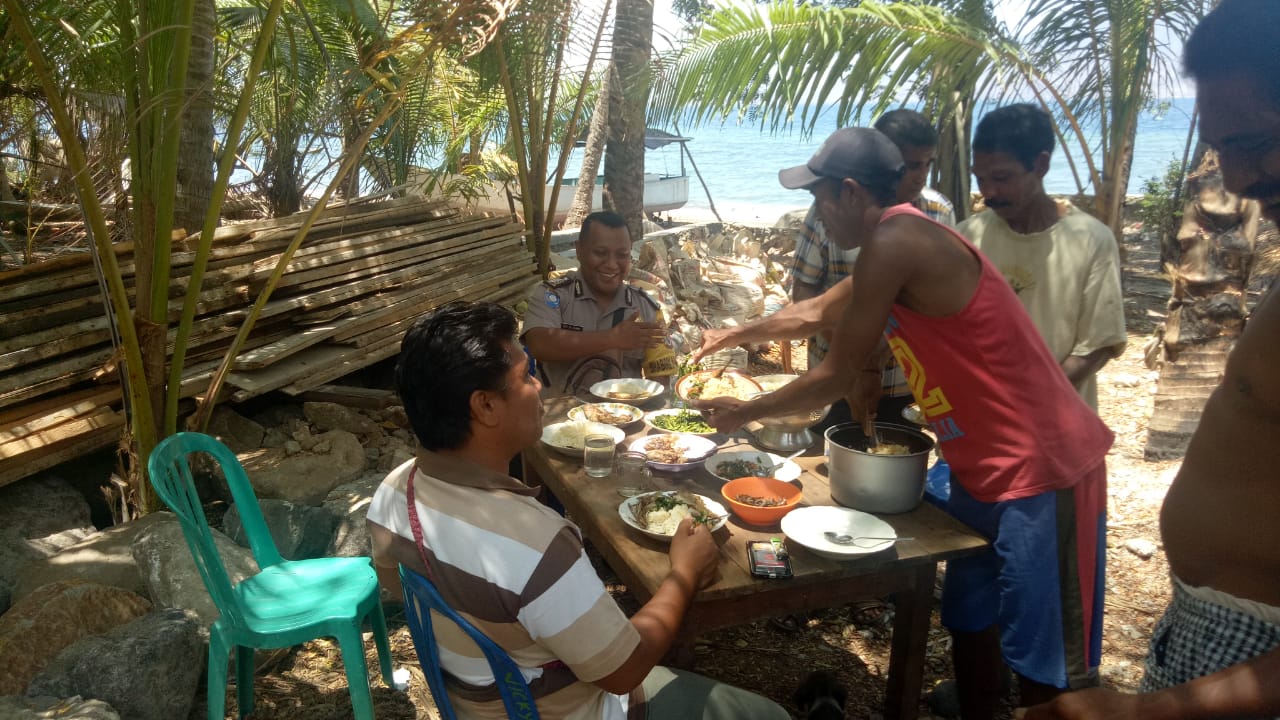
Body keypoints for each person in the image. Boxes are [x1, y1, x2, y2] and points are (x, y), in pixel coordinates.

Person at [696, 127, 1113, 719]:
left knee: (1042, 659)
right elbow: (814, 311)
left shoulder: (899, 239)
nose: (814, 211)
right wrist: (733, 334)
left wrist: (741, 413)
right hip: (979, 470)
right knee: (972, 620)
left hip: (1045, 469)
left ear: (846, 192)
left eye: (817, 197)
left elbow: (838, 375)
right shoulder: (894, 242)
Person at [1025, 2, 1280, 717]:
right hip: (1214, 639)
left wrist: (1147, 713)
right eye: (1218, 145)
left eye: (1255, 142)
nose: (1239, 175)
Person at [367, 300, 789, 720]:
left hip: (474, 702)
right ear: (486, 406)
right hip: (570, 710)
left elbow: (396, 583)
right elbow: (624, 672)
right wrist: (684, 574)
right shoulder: (533, 543)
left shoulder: (393, 491)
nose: (537, 386)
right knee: (770, 714)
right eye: (526, 374)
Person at [790, 109, 956, 426]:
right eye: (910, 166)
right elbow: (805, 294)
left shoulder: (938, 213)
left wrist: (869, 364)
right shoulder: (832, 208)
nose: (920, 176)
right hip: (834, 379)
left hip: (906, 384)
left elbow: (935, 314)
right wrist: (851, 362)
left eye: (927, 164)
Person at [961, 104, 1126, 409]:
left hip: (1058, 425)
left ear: (1041, 165)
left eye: (1001, 177)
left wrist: (1030, 401)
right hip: (981, 425)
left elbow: (1097, 346)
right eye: (980, 179)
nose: (989, 192)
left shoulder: (1091, 240)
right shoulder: (967, 239)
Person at [521, 211, 671, 396]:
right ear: (579, 250)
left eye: (622, 255)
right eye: (600, 253)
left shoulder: (647, 308)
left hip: (623, 417)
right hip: (561, 421)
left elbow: (661, 379)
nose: (611, 264)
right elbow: (539, 344)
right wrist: (613, 339)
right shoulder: (553, 296)